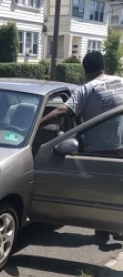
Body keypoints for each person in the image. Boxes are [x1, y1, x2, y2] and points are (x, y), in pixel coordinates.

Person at [41, 50, 123, 243]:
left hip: (99, 152)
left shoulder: (87, 89)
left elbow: (63, 111)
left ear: (85, 69)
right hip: (121, 145)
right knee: (118, 189)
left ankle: (107, 226)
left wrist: (37, 124)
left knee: (100, 192)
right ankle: (113, 226)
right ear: (103, 66)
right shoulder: (120, 81)